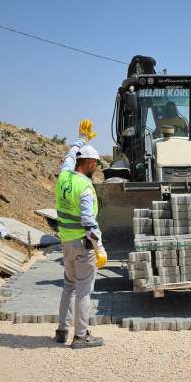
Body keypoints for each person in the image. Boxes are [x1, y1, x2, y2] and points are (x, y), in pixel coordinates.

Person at [54, 119, 108, 349]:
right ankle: (81, 335)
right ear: (87, 163)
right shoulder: (85, 187)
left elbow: (69, 155)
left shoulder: (64, 175)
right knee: (84, 290)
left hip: (65, 241)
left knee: (68, 285)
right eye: (95, 163)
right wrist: (100, 248)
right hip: (82, 244)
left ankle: (61, 330)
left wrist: (81, 140)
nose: (96, 167)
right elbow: (88, 222)